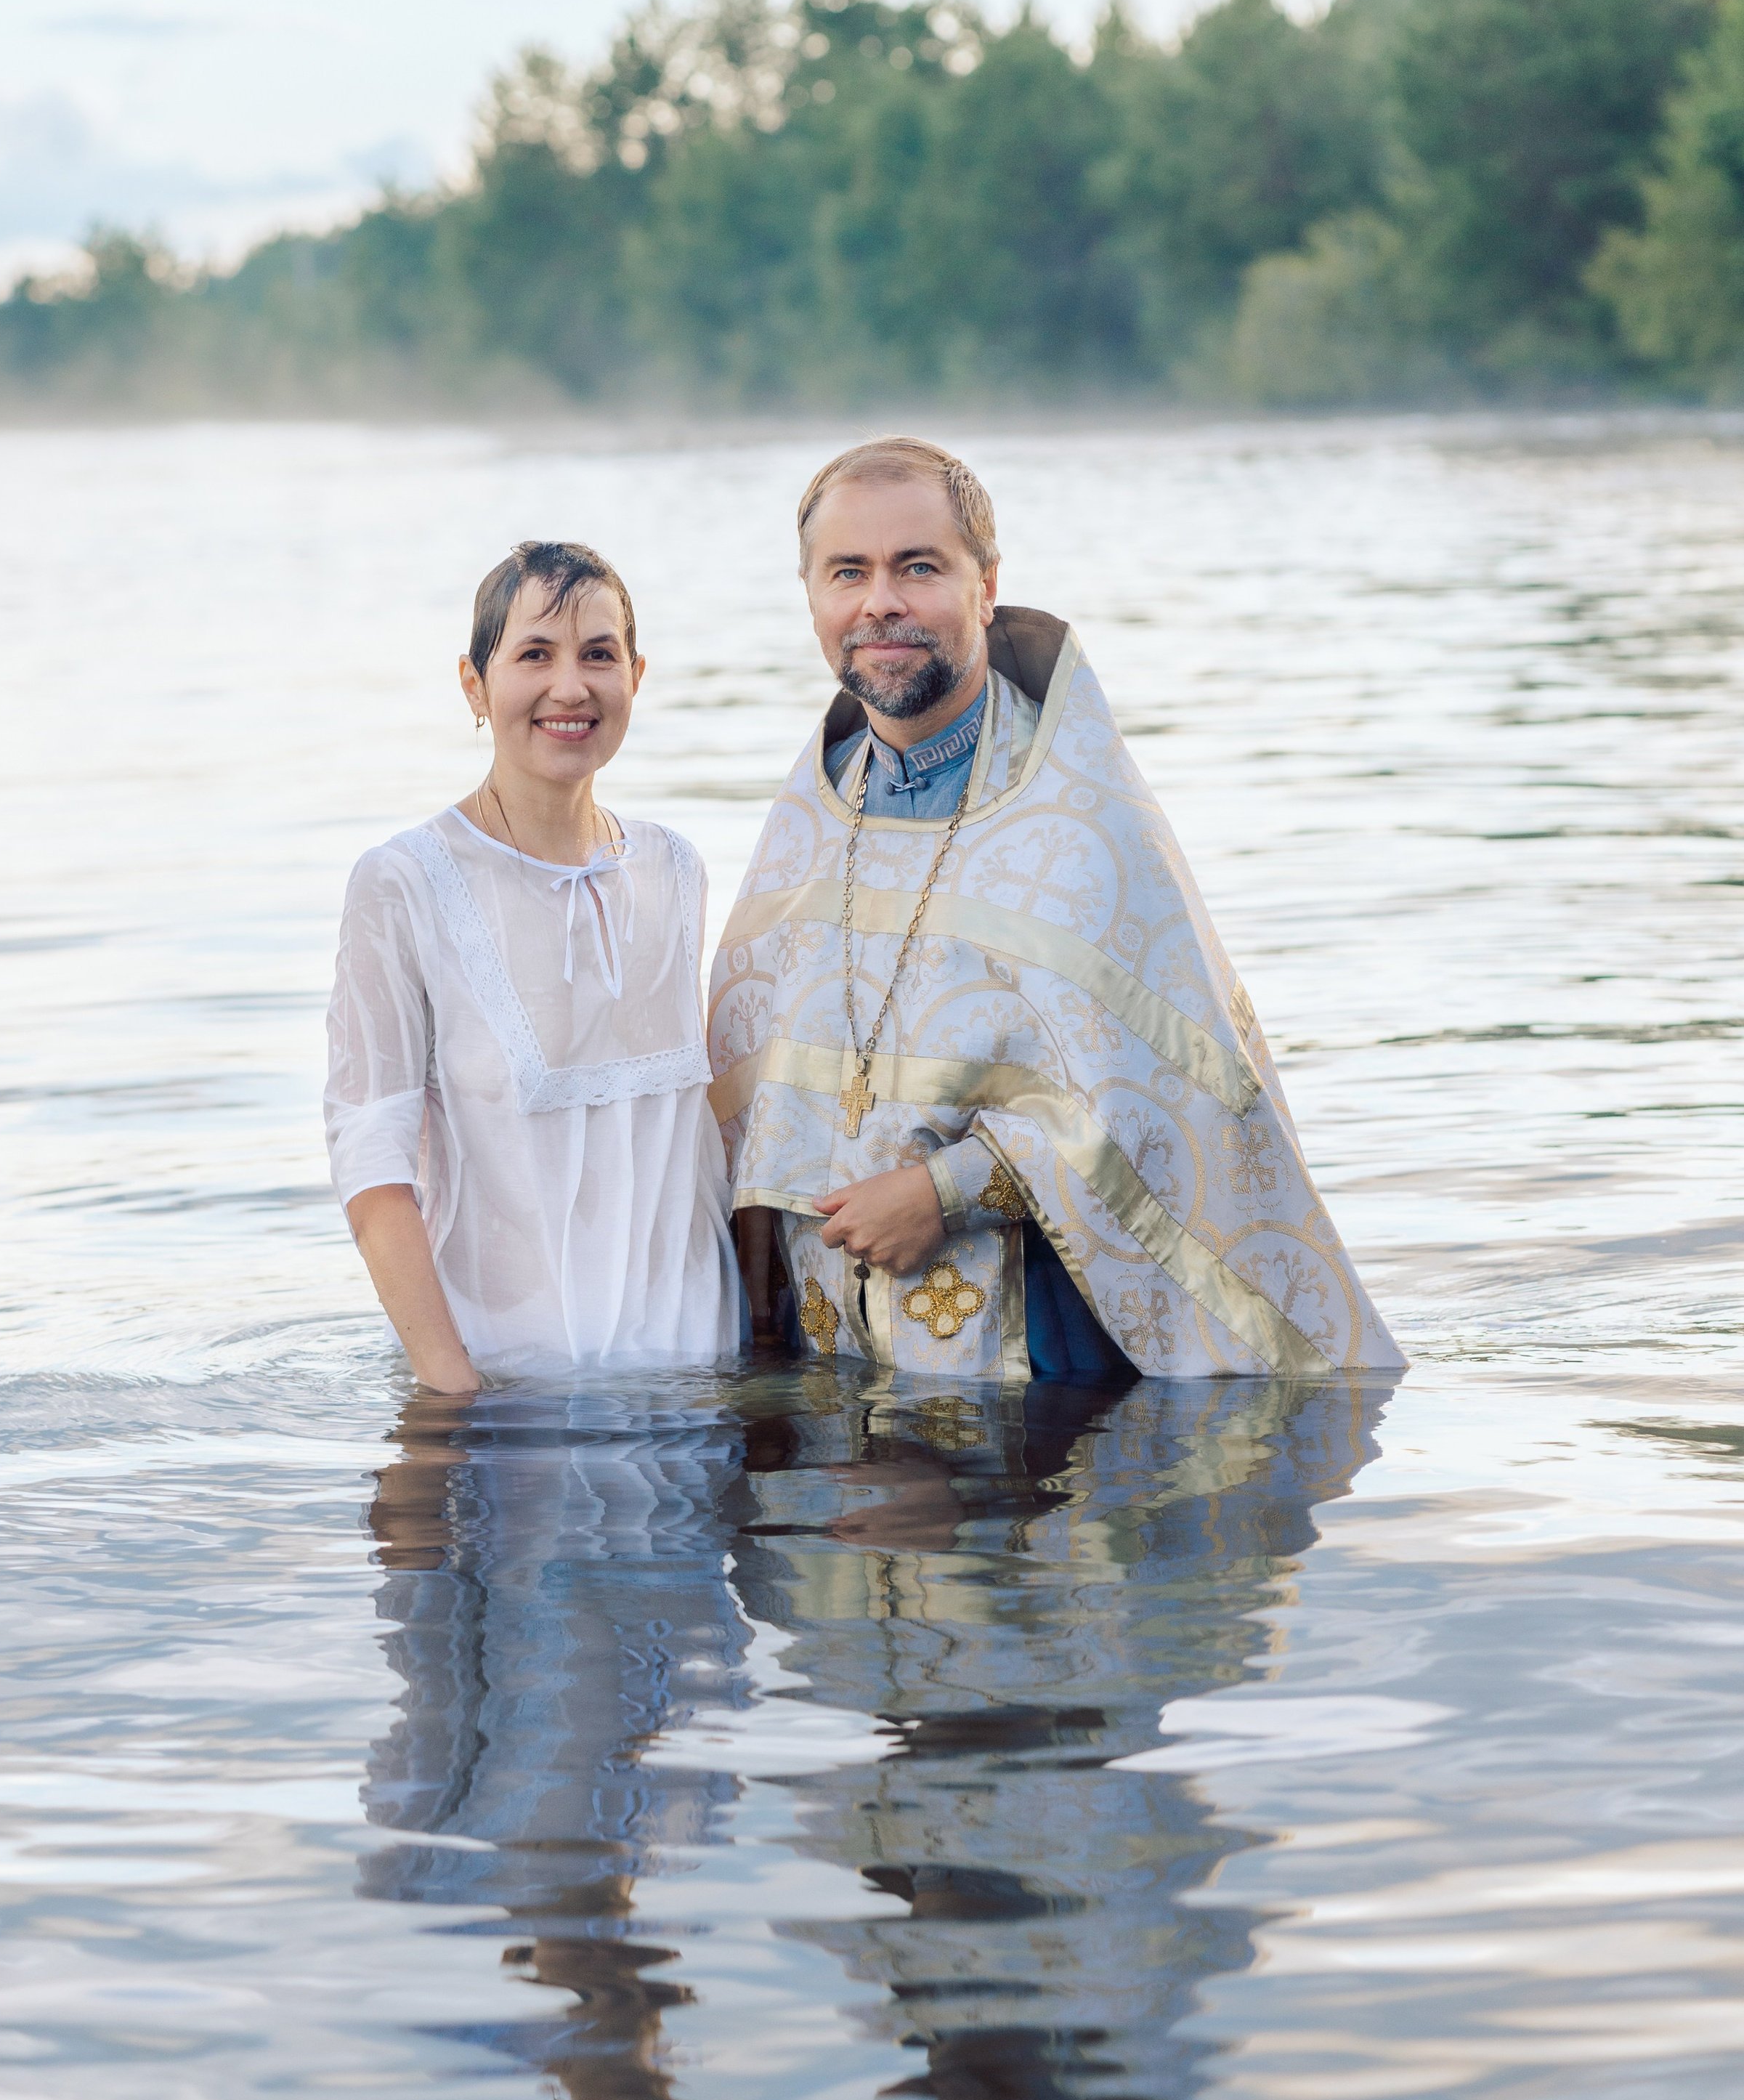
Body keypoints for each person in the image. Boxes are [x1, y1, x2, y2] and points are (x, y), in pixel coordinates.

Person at [710, 438, 1402, 1382]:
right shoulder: (806, 823)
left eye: (919, 567)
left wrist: (944, 1191)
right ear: (812, 596)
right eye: (848, 573)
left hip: (1046, 1360)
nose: (881, 602)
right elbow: (744, 1100)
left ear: (986, 588)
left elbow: (1164, 1112)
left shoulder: (1085, 826)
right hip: (842, 1356)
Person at [325, 539, 742, 1388]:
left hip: (703, 1388)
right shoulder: (404, 882)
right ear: (475, 686)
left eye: (599, 655)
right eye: (533, 655)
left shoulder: (675, 868)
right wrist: (453, 1396)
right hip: (509, 1394)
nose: (570, 686)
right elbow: (372, 1164)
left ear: (636, 676)